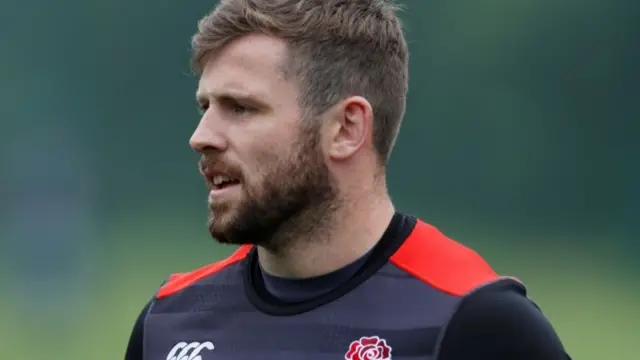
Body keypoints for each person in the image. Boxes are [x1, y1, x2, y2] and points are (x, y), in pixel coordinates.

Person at [125, 0, 571, 359]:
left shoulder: (475, 324)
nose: (201, 138)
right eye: (206, 107)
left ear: (346, 128)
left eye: (240, 108)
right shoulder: (167, 324)